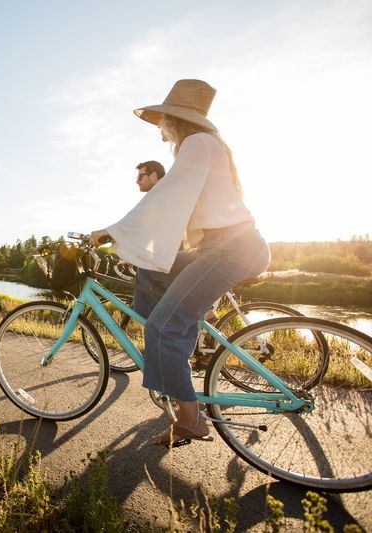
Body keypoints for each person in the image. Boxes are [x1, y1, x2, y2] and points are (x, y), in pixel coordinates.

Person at [89, 79, 270, 446]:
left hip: (230, 250)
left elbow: (166, 196)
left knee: (162, 327)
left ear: (176, 119)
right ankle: (183, 334)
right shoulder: (205, 145)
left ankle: (190, 417)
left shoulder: (197, 144)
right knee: (151, 270)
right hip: (226, 248)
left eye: (162, 120)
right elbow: (178, 208)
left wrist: (112, 232)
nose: (160, 127)